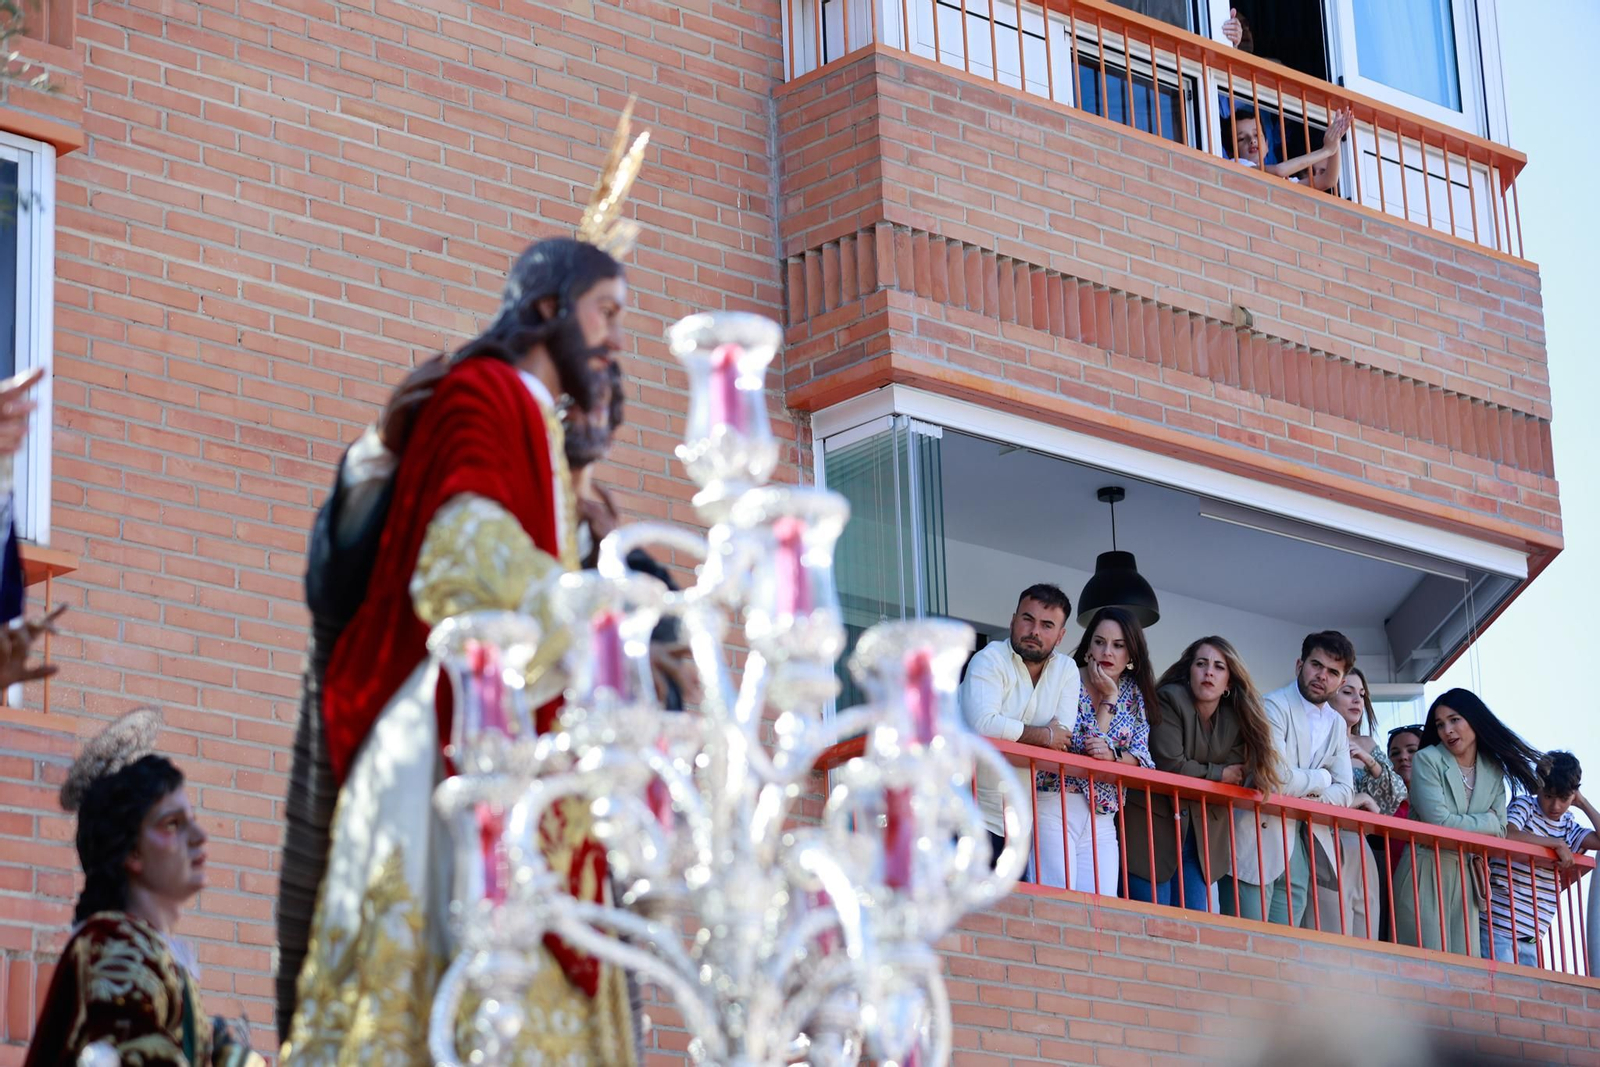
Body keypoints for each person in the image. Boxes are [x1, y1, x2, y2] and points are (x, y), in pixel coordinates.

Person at [280, 108, 649, 1067]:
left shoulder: (539, 428)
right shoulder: (481, 393)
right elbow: (458, 550)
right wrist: (590, 612)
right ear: (545, 311)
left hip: (523, 745)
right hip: (456, 736)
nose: (615, 343)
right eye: (606, 315)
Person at [25, 710, 260, 1067]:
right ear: (131, 849)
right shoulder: (113, 943)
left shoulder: (145, 951)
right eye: (172, 824)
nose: (199, 837)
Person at [1122, 636, 1281, 912]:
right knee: (1152, 925)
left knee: (1191, 930)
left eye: (1219, 667)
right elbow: (1171, 765)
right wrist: (1217, 773)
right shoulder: (1168, 699)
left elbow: (1238, 772)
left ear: (1229, 682)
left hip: (1201, 842)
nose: (1209, 672)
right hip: (1152, 834)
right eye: (1201, 664)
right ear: (1189, 671)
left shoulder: (1236, 718)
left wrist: (1200, 769)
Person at [1393, 689, 1542, 956]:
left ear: (1473, 720)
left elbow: (1500, 832)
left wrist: (1481, 824)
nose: (1447, 730)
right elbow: (1439, 824)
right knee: (1427, 966)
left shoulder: (1492, 770)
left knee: (1464, 974)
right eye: (1440, 724)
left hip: (1466, 879)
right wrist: (1487, 820)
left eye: (1454, 720)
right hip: (1425, 868)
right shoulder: (1428, 759)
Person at [1222, 631, 1355, 928]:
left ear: (1341, 682)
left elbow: (1346, 792)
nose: (1322, 676)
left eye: (1333, 672)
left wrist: (1304, 793)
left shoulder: (1336, 722)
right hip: (1257, 838)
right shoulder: (1273, 705)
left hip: (1300, 847)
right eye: (1316, 665)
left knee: (1284, 952)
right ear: (1299, 665)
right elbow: (1276, 780)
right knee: (1248, 944)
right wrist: (1322, 777)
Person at [959, 583, 1081, 883]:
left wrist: (1020, 733)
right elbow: (984, 725)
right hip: (965, 811)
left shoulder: (1066, 670)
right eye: (1028, 619)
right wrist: (1043, 735)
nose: (1034, 631)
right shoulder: (988, 659)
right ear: (1013, 620)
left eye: (1047, 625)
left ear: (1061, 635)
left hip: (1017, 823)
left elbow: (1062, 739)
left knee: (1010, 918)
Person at [1058, 606, 1156, 896]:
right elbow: (1081, 747)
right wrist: (1108, 699)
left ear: (1130, 656)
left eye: (1118, 645)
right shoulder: (1066, 678)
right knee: (1059, 901)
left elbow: (1143, 761)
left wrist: (1113, 757)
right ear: (1088, 646)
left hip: (1104, 813)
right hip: (1059, 800)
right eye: (1099, 642)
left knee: (1101, 909)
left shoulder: (1135, 693)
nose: (1107, 652)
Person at [1481, 751, 1600, 966]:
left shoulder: (1568, 826)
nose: (1555, 806)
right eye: (1548, 796)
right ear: (1539, 788)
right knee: (1503, 992)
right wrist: (1554, 844)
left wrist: (1583, 803)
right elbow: (1508, 834)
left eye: (1564, 799)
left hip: (1533, 935)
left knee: (1526, 997)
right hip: (1497, 926)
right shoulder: (1525, 806)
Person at [1227, 103, 1352, 193]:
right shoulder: (1238, 165)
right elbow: (1279, 170)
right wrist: (1327, 150)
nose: (1252, 140)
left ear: (1267, 145)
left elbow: (1328, 180)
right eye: (1241, 139)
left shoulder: (1277, 177)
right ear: (1231, 152)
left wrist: (1336, 138)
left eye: (1256, 135)